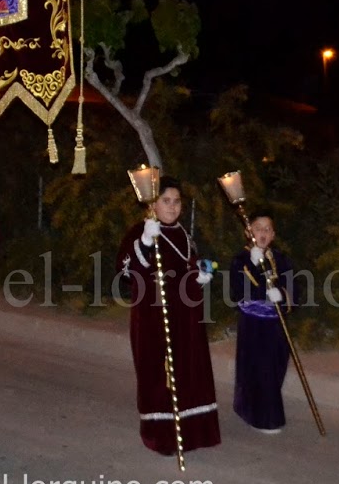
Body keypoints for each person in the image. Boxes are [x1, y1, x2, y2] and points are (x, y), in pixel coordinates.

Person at [116, 176, 221, 456]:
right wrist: (145, 242)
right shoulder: (140, 231)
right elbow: (125, 272)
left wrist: (199, 276)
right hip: (154, 317)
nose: (172, 207)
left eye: (177, 201)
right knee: (160, 375)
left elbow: (187, 269)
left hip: (186, 318)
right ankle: (160, 435)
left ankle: (193, 431)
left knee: (190, 372)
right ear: (153, 204)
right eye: (166, 201)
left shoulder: (184, 235)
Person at [228, 207, 303, 432]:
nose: (263, 233)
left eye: (267, 229)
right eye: (258, 228)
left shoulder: (281, 259)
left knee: (276, 366)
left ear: (273, 234)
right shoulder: (241, 260)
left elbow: (294, 288)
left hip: (276, 324)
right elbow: (238, 292)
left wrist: (283, 295)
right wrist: (254, 268)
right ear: (248, 232)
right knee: (260, 370)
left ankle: (254, 407)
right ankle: (265, 418)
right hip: (254, 325)